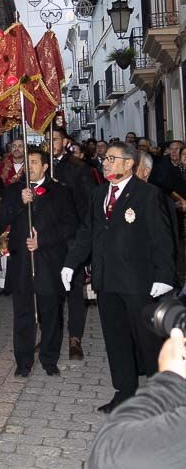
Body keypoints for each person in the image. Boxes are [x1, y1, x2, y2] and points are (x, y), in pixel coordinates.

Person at [62, 142, 176, 412]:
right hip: (108, 281)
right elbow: (87, 233)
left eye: (112, 159)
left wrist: (164, 276)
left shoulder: (148, 195)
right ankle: (124, 393)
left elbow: (162, 239)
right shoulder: (99, 193)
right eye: (105, 159)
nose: (106, 163)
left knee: (148, 341)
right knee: (117, 340)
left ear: (129, 164)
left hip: (140, 283)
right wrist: (71, 264)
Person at [0, 147, 76, 378]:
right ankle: (23, 360)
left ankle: (49, 358)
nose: (29, 166)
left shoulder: (60, 192)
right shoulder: (14, 190)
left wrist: (43, 241)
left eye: (34, 162)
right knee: (23, 314)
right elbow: (1, 220)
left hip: (49, 261)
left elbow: (70, 226)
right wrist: (20, 203)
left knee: (50, 313)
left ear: (44, 166)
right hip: (22, 262)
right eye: (27, 163)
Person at [87, 325, 186, 469]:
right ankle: (124, 391)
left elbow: (111, 457)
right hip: (109, 296)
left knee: (147, 337)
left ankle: (160, 395)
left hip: (140, 296)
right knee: (116, 337)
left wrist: (170, 381)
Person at [51, 128, 95, 361]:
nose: (50, 143)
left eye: (55, 139)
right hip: (48, 239)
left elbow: (89, 205)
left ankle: (74, 338)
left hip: (72, 239)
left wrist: (83, 241)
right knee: (50, 289)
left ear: (65, 142)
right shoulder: (41, 165)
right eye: (47, 139)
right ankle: (51, 335)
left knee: (74, 290)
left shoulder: (79, 168)